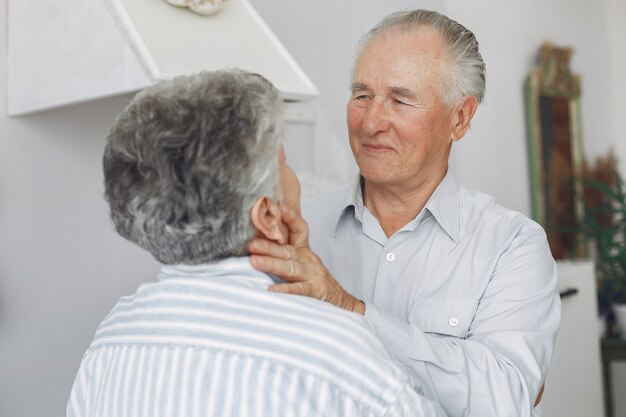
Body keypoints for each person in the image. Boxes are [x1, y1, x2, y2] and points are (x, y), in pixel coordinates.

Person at [66, 69, 446, 417]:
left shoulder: (113, 336)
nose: (293, 176)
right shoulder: (336, 350)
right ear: (267, 217)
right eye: (284, 163)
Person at [248, 9, 561, 417]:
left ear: (460, 118)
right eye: (362, 95)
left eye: (400, 99)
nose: (372, 121)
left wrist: (351, 311)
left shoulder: (512, 246)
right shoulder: (298, 231)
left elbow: (505, 396)